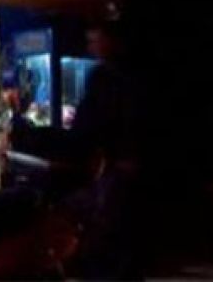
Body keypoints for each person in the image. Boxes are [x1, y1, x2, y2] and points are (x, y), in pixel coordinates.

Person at [68, 19, 142, 279]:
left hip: (114, 171)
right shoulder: (134, 75)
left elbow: (87, 126)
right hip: (128, 172)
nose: (91, 46)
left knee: (105, 239)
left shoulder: (104, 78)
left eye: (94, 39)